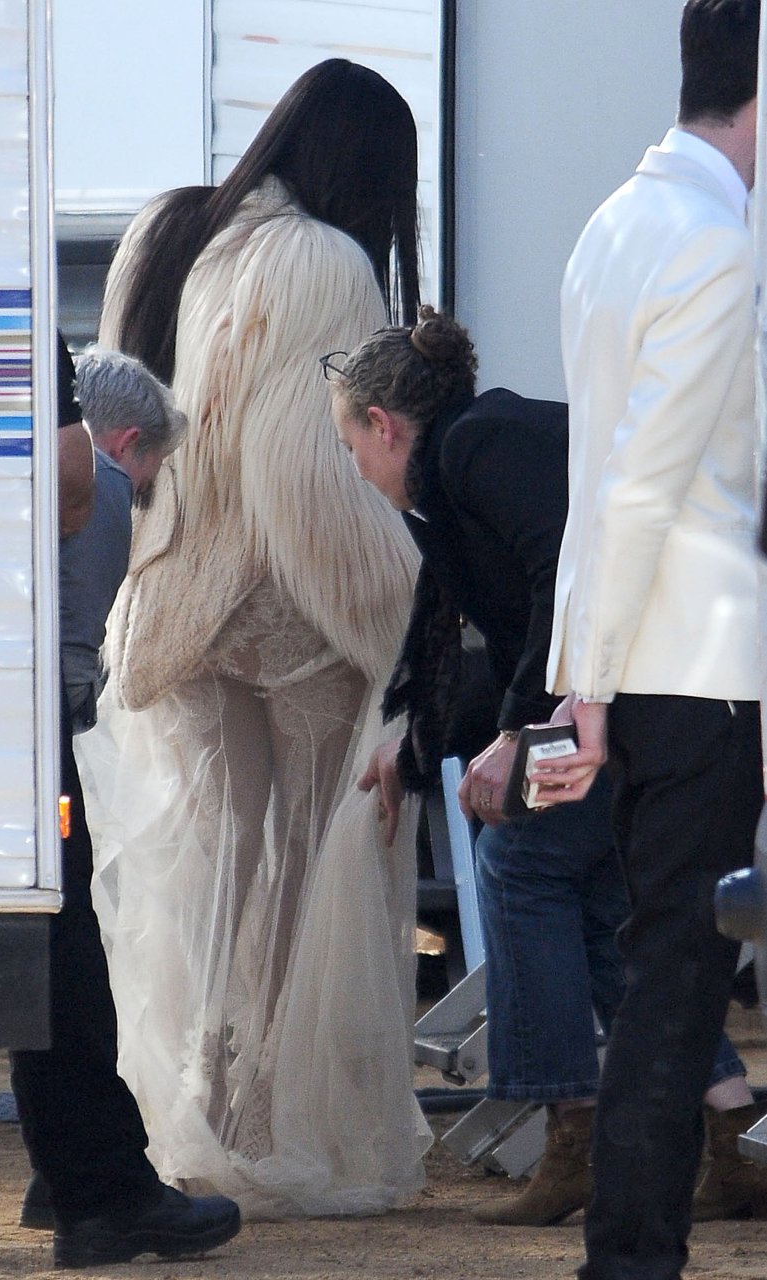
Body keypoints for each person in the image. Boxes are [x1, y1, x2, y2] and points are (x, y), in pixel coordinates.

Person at [84, 58, 429, 1217]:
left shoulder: (171, 232)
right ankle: (258, 1116)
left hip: (178, 595)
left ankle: (179, 1111)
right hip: (295, 608)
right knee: (299, 873)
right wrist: (406, 590)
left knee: (205, 867)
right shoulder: (329, 262)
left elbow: (124, 423)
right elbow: (310, 471)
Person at [327, 305, 761, 1228]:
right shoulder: (463, 468)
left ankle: (576, 1134)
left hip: (655, 685)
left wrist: (520, 732)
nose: (354, 470)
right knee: (603, 913)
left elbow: (556, 585)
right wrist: (418, 749)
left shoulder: (479, 445)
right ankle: (731, 1131)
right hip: (660, 683)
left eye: (350, 446)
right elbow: (500, 638)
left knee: (519, 866)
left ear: (382, 424)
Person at [534, 3, 764, 1276]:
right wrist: (598, 673)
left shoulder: (615, 222)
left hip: (645, 662)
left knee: (663, 971)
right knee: (679, 982)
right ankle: (629, 1256)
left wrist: (587, 675)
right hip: (703, 667)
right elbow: (641, 483)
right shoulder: (714, 242)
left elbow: (600, 478)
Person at [8, 334, 241, 1268]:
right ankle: (97, 1193)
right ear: (124, 439)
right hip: (41, 729)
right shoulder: (99, 484)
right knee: (64, 956)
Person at [61, 346, 186, 735]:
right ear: (126, 442)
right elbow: (72, 662)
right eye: (142, 486)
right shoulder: (108, 480)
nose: (132, 500)